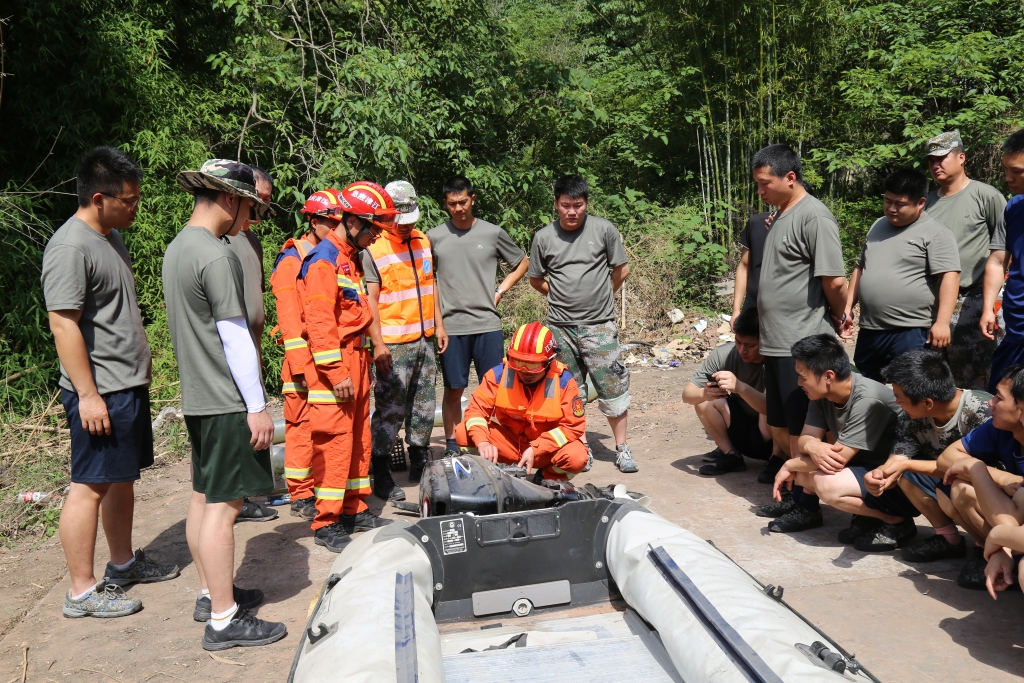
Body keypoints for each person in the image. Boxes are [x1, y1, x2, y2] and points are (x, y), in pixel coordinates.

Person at [42, 146, 179, 619]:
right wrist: (88, 395)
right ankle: (81, 592)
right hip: (99, 391)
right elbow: (63, 325)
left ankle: (122, 565)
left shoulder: (109, 235)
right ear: (99, 198)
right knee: (89, 485)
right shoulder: (69, 247)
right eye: (130, 200)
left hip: (124, 385)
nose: (135, 207)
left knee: (121, 479)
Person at [163, 159, 285, 649]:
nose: (249, 221)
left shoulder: (179, 247)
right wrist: (256, 406)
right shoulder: (216, 254)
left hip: (197, 396)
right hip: (225, 399)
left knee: (203, 498)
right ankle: (224, 619)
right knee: (225, 508)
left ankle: (210, 593)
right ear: (231, 200)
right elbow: (235, 337)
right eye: (249, 209)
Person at [751, 145, 847, 525]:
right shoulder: (781, 215)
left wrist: (840, 316)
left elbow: (835, 280)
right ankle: (792, 493)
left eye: (765, 184)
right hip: (775, 341)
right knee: (783, 424)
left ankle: (807, 505)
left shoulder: (815, 218)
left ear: (790, 178)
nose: (761, 192)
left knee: (804, 426)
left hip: (801, 340)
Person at [298, 181, 397, 552]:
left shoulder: (345, 258)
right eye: (373, 229)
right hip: (337, 365)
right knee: (335, 443)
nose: (375, 238)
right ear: (353, 222)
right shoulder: (323, 260)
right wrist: (336, 372)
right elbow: (320, 323)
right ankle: (327, 520)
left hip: (357, 358)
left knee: (359, 439)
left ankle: (354, 508)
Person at [529, 175, 635, 473]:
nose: (572, 212)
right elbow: (536, 279)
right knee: (569, 391)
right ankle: (581, 447)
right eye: (566, 206)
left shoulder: (603, 229)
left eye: (578, 205)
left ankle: (622, 448)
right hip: (560, 327)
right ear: (556, 204)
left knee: (612, 385)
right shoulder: (543, 237)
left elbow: (621, 270)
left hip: (599, 325)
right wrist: (559, 296)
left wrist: (602, 295)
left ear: (586, 203)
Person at [770, 335, 911, 548]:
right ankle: (870, 516)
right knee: (804, 469)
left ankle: (895, 520)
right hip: (866, 467)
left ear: (828, 376)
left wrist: (789, 463)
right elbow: (805, 440)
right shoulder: (822, 394)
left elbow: (837, 460)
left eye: (802, 377)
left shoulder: (867, 399)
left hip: (899, 478)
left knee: (825, 483)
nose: (799, 383)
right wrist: (812, 445)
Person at [427, 175, 528, 458]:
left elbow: (522, 262)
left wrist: (500, 291)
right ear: (445, 204)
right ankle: (451, 444)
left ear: (473, 199)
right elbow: (427, 280)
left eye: (462, 202)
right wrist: (438, 324)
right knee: (453, 388)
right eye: (452, 204)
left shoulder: (492, 233)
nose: (458, 208)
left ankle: (494, 440)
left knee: (494, 388)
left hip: (487, 324)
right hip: (452, 327)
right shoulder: (434, 237)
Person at [863, 349, 990, 560]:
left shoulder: (982, 412)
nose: (897, 404)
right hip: (948, 480)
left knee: (959, 492)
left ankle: (985, 549)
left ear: (927, 403)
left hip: (985, 487)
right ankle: (948, 539)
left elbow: (983, 472)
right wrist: (879, 475)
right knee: (905, 475)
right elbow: (899, 458)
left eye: (900, 398)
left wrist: (906, 466)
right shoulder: (910, 416)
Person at [840, 168, 961, 381]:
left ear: (921, 202)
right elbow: (860, 268)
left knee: (909, 390)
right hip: (870, 329)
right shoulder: (878, 225)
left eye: (900, 204)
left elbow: (950, 277)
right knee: (866, 387)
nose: (892, 208)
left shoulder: (936, 232)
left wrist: (942, 322)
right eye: (888, 201)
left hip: (910, 330)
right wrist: (847, 308)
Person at [363, 181, 443, 502]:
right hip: (394, 345)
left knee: (423, 404)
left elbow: (430, 284)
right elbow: (370, 301)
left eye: (411, 218)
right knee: (390, 409)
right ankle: (380, 468)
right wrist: (378, 344)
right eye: (401, 219)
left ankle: (420, 457)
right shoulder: (374, 249)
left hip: (424, 340)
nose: (407, 225)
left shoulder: (423, 240)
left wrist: (440, 326)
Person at [269, 189, 338, 521]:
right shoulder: (292, 261)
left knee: (325, 427)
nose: (336, 228)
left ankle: (321, 485)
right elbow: (290, 320)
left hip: (325, 358)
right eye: (330, 222)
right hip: (302, 363)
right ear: (313, 221)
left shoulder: (331, 256)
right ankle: (300, 493)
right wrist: (300, 367)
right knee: (300, 427)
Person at [923, 130, 1007, 391]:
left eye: (942, 158)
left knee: (975, 380)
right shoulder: (926, 203)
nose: (936, 165)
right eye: (931, 160)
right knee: (934, 378)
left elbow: (1004, 250)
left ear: (961, 157)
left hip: (973, 301)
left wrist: (992, 306)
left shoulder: (987, 196)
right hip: (931, 301)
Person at [456, 322, 588, 481]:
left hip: (544, 450)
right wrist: (483, 443)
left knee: (577, 456)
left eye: (533, 365)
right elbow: (476, 412)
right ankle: (486, 477)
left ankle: (546, 481)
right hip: (508, 444)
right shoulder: (498, 376)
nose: (525, 371)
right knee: (464, 432)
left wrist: (537, 448)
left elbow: (572, 427)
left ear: (549, 361)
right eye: (518, 362)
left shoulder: (563, 382)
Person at [934, 363, 1024, 589]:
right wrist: (984, 471)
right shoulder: (999, 428)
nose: (990, 403)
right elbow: (946, 459)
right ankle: (1003, 556)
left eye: (998, 398)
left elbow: (1012, 521)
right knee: (959, 487)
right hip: (1015, 519)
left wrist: (1000, 539)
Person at [223, 165, 278, 523]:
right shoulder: (221, 240)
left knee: (249, 424)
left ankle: (244, 497)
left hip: (250, 347)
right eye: (257, 200)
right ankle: (231, 498)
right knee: (230, 427)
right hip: (229, 350)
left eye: (267, 202)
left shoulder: (251, 241)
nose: (261, 209)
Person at [682, 306, 773, 477]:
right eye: (738, 342)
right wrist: (705, 394)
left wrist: (740, 387)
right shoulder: (724, 354)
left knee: (773, 405)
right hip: (741, 430)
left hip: (772, 437)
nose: (742, 350)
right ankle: (731, 455)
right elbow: (687, 395)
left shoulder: (775, 361)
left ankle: (777, 461)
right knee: (704, 402)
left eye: (750, 345)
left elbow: (770, 409)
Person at [983, 130, 1024, 390]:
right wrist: (988, 307)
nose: (1008, 178)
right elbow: (998, 261)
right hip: (1015, 332)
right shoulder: (1014, 208)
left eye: (1017, 171)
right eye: (1006, 169)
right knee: (1000, 404)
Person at [731, 210, 773, 320]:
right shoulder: (757, 222)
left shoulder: (810, 224)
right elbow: (744, 267)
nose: (761, 191)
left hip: (792, 311)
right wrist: (736, 310)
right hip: (753, 307)